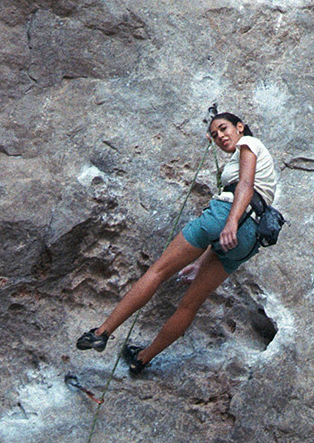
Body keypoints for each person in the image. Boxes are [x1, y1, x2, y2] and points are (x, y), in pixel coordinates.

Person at [75, 112, 279, 374]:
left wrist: (229, 222)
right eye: (215, 135)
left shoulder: (250, 144)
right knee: (190, 304)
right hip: (249, 238)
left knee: (158, 272)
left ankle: (101, 332)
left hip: (227, 216)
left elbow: (246, 185)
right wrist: (201, 262)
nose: (220, 136)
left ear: (240, 127)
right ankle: (142, 359)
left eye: (224, 128)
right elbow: (247, 202)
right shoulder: (258, 163)